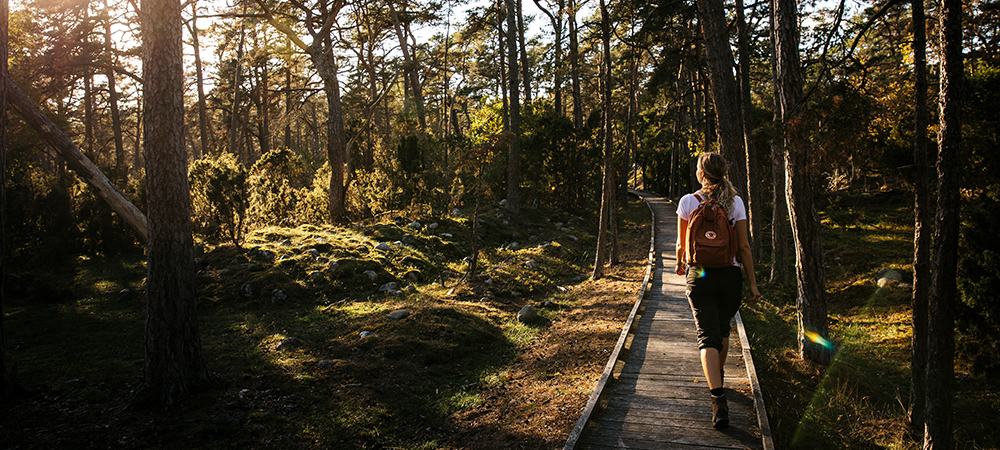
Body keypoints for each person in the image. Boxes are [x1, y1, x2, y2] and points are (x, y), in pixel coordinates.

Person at [675, 152, 761, 429]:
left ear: (701, 173)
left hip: (700, 272)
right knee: (722, 329)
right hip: (730, 273)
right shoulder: (735, 202)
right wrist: (752, 283)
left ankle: (718, 400)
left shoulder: (688, 201)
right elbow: (744, 246)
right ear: (723, 173)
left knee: (707, 336)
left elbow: (680, 244)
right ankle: (718, 374)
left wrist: (680, 265)